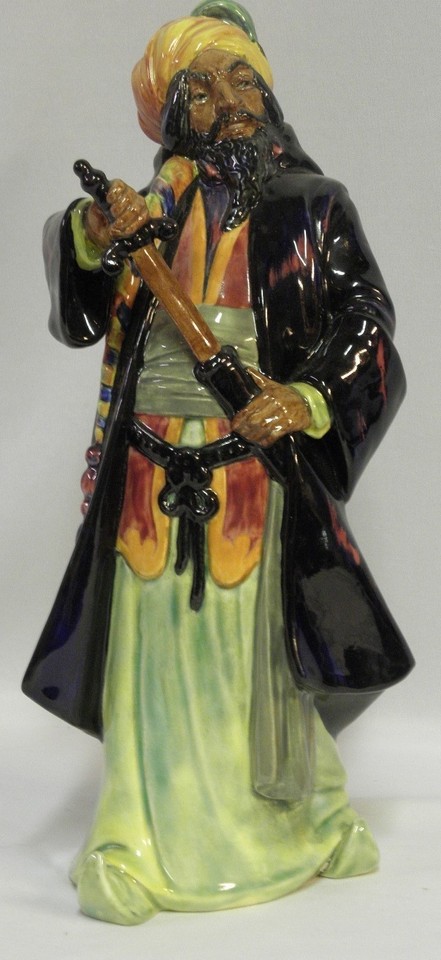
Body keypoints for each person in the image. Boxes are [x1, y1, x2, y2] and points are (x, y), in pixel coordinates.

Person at [23, 2, 414, 925]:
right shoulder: (143, 212)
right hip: (150, 470)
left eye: (242, 80)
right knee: (150, 652)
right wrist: (90, 232)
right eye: (198, 88)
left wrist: (307, 397)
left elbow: (367, 323)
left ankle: (297, 818)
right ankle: (134, 836)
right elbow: (80, 304)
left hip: (255, 470)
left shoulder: (313, 207)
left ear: (268, 96)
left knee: (256, 650)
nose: (227, 101)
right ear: (171, 112)